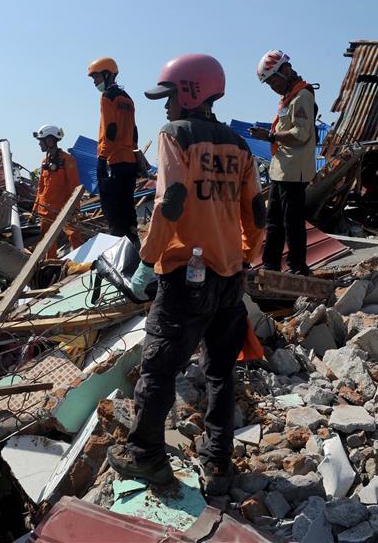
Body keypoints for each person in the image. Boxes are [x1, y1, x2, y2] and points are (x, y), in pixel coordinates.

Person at [106, 54, 265, 496]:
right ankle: (218, 463)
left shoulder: (174, 135)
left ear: (191, 92)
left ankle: (146, 460)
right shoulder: (240, 145)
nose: (164, 106)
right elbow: (256, 211)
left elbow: (171, 199)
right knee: (219, 372)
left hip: (184, 276)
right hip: (230, 278)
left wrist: (150, 259)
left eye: (169, 95)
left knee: (158, 371)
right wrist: (247, 258)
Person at [249, 50, 317, 276]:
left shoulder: (302, 97)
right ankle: (270, 266)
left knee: (292, 223)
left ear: (285, 71)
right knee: (274, 222)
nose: (273, 87)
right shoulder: (288, 99)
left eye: (273, 81)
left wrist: (269, 136)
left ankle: (298, 268)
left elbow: (301, 134)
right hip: (281, 169)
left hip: (294, 171)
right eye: (269, 84)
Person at [87, 57, 139, 242]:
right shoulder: (127, 98)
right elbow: (133, 132)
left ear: (108, 74)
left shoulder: (107, 97)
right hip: (129, 162)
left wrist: (102, 158)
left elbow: (110, 130)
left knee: (114, 215)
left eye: (96, 77)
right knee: (128, 211)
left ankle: (120, 256)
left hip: (114, 162)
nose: (95, 82)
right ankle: (134, 246)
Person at [32, 124, 86, 258]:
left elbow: (75, 187)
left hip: (64, 210)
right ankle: (51, 268)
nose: (39, 144)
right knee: (46, 242)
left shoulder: (68, 160)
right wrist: (35, 209)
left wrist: (75, 208)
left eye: (41, 140)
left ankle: (82, 264)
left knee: (74, 236)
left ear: (50, 141)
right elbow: (41, 188)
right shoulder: (45, 162)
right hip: (45, 211)